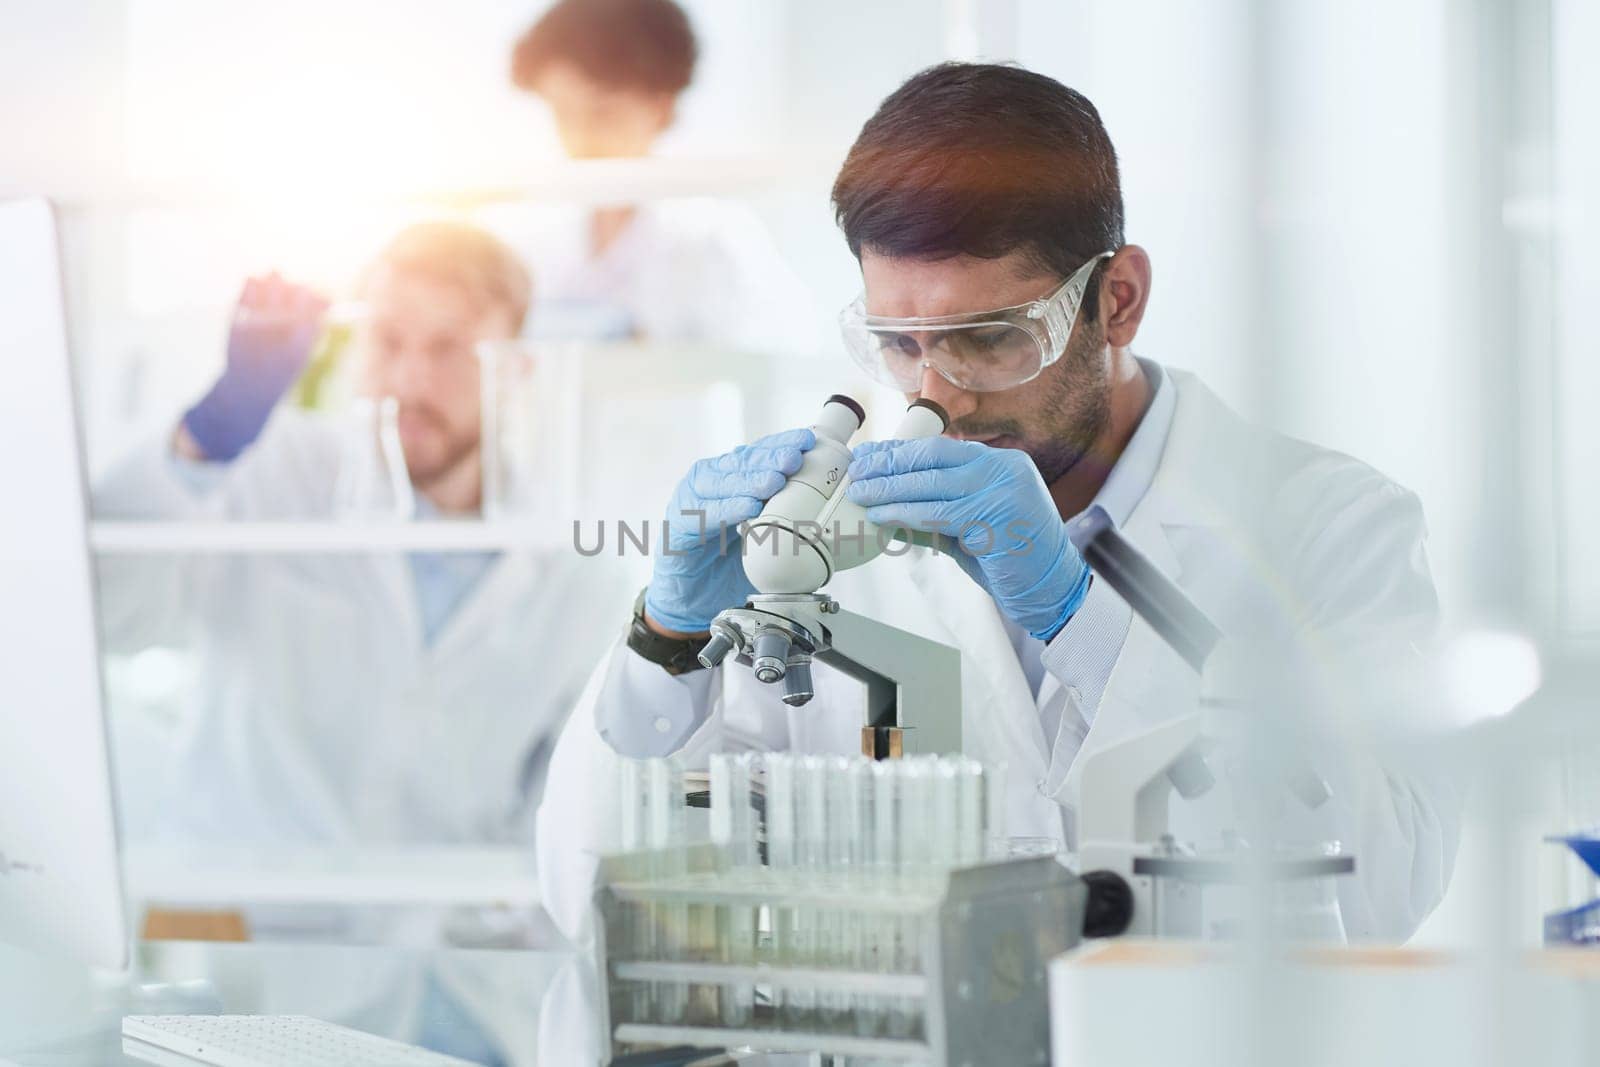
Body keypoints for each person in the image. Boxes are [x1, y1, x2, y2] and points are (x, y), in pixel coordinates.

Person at [535, 63, 1458, 945]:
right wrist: (666, 639)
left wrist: (1086, 626)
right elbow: (594, 900)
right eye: (899, 343)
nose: (939, 393)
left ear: (1119, 300)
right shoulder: (833, 557)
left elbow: (1383, 887)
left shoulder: (1332, 526)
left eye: (989, 339)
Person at [96, 221, 632, 857]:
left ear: (515, 369)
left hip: (450, 944)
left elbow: (569, 811)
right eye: (388, 341)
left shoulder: (579, 573)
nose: (409, 379)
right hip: (246, 924)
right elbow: (106, 616)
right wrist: (202, 443)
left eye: (448, 348)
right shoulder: (271, 471)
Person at [488, 0, 815, 349]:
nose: (580, 137)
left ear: (661, 107)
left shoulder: (714, 245)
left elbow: (778, 360)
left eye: (603, 113)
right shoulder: (528, 244)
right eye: (563, 114)